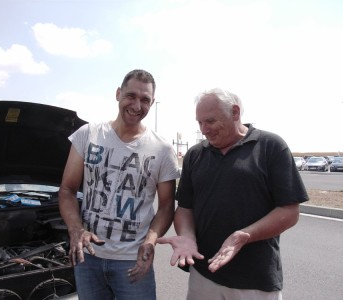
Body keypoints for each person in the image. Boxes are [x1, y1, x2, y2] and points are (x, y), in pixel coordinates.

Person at [157, 88, 309, 300]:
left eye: (209, 121)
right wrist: (187, 236)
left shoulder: (270, 146)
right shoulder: (195, 154)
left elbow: (290, 211)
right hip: (203, 274)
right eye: (199, 123)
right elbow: (185, 208)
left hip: (255, 281)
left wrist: (243, 236)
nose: (204, 130)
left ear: (235, 112)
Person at [58, 69, 180, 300]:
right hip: (89, 259)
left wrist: (151, 241)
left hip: (133, 262)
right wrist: (75, 230)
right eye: (131, 96)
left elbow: (166, 206)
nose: (137, 105)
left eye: (145, 100)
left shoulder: (162, 150)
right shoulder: (88, 135)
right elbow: (67, 190)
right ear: (118, 94)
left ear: (152, 103)